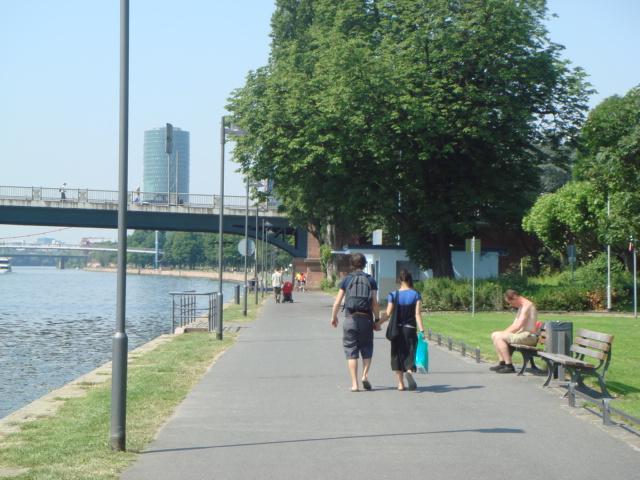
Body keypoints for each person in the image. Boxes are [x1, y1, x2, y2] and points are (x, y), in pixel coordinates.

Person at [331, 253, 380, 392]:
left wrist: (334, 317)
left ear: (351, 264)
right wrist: (377, 320)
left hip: (350, 319)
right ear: (364, 264)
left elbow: (337, 301)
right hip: (366, 319)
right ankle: (365, 375)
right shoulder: (370, 280)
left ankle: (354, 384)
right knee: (367, 348)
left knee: (351, 350)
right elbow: (375, 303)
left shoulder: (347, 279)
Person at [375, 269, 425, 391]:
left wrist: (377, 323)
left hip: (396, 330)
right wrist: (422, 330)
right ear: (409, 279)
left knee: (396, 355)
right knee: (410, 352)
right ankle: (409, 371)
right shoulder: (416, 295)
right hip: (410, 329)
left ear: (399, 280)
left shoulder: (393, 295)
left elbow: (387, 314)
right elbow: (417, 314)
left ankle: (400, 384)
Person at [489, 289, 539, 373]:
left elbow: (518, 326)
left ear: (515, 297)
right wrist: (503, 333)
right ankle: (502, 363)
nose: (511, 305)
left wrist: (503, 333)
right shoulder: (522, 306)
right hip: (523, 335)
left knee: (499, 337)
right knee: (494, 334)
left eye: (510, 302)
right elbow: (515, 325)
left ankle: (509, 366)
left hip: (529, 336)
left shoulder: (527, 306)